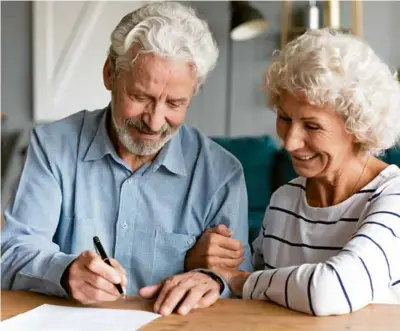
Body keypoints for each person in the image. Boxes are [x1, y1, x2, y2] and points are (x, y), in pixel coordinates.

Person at [1, 1, 252, 305]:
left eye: (174, 104)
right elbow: (12, 254)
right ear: (109, 74)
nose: (154, 121)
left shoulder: (222, 174)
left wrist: (211, 278)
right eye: (140, 96)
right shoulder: (52, 146)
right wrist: (65, 272)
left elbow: (240, 280)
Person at [142, 28, 400, 316]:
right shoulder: (285, 200)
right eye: (285, 118)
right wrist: (211, 266)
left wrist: (239, 280)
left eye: (312, 126)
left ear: (357, 127)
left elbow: (332, 290)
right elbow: (259, 294)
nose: (290, 141)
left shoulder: (393, 197)